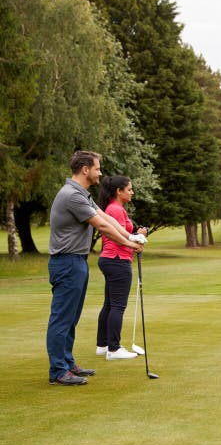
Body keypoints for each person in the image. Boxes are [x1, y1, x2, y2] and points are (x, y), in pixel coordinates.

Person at [46, 151, 146, 386]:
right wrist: (130, 244)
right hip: (66, 262)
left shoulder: (82, 194)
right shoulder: (72, 195)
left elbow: (106, 218)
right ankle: (58, 371)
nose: (100, 172)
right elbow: (102, 225)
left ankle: (68, 364)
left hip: (77, 262)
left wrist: (131, 236)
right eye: (97, 168)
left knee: (71, 318)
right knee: (62, 319)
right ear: (85, 170)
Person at [95, 175, 148, 361]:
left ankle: (103, 345)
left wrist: (136, 235)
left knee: (109, 304)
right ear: (119, 191)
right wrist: (136, 238)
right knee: (118, 306)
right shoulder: (115, 210)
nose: (132, 192)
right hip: (117, 260)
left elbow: (123, 234)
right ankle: (114, 349)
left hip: (111, 259)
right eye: (129, 189)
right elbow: (117, 236)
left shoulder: (114, 208)